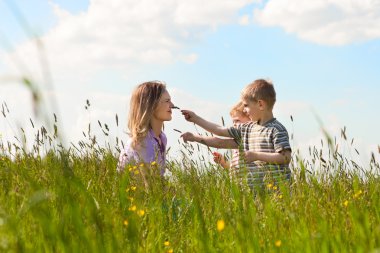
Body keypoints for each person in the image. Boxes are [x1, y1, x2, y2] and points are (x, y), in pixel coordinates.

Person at [181, 79, 292, 188]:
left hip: (277, 194)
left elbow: (285, 157)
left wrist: (256, 156)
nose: (244, 110)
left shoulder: (277, 129)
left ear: (260, 105)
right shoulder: (246, 129)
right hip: (254, 195)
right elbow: (219, 131)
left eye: (246, 105)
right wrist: (195, 119)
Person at [117, 81, 174, 176]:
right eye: (167, 101)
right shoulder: (142, 141)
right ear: (151, 105)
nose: (172, 105)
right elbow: (149, 184)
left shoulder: (162, 138)